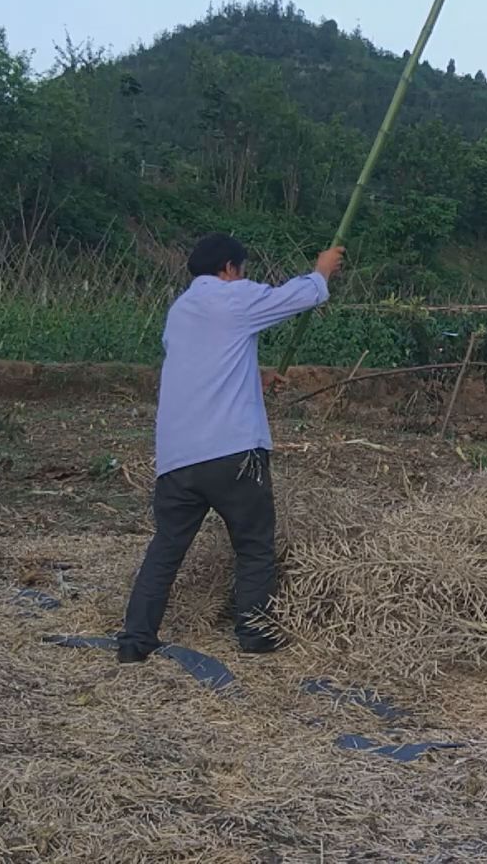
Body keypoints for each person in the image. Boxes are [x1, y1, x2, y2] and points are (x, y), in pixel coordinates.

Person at [117, 235, 345, 662]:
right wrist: (323, 271)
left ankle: (134, 641)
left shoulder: (180, 313)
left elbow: (203, 365)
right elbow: (292, 298)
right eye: (241, 269)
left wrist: (253, 377)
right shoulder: (233, 298)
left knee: (166, 548)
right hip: (233, 451)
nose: (243, 276)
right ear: (228, 268)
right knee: (254, 543)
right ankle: (255, 635)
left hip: (178, 457)